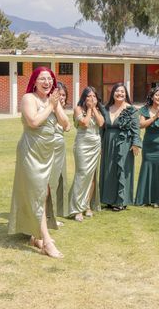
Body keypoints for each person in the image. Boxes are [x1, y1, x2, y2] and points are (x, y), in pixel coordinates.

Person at [8, 67, 70, 259]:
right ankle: (47, 241)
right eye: (42, 79)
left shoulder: (52, 99)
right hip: (31, 152)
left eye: (50, 79)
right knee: (36, 193)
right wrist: (51, 106)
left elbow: (66, 124)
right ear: (35, 81)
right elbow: (33, 122)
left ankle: (36, 236)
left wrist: (56, 105)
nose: (47, 82)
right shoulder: (29, 98)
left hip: (47, 152)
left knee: (41, 194)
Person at [99, 83, 142, 211]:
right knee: (109, 170)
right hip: (107, 143)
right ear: (112, 93)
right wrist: (100, 144)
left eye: (122, 92)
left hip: (124, 143)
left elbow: (136, 129)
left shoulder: (131, 110)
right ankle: (108, 199)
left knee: (122, 169)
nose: (120, 94)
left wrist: (136, 144)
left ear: (126, 94)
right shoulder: (106, 108)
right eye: (117, 91)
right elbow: (102, 128)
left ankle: (121, 201)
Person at [67, 86, 104, 221]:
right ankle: (77, 208)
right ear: (84, 97)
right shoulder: (78, 109)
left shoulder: (97, 109)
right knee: (82, 175)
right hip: (83, 145)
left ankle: (87, 205)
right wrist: (89, 109)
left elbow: (100, 123)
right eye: (88, 96)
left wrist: (94, 108)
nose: (91, 98)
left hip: (95, 145)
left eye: (94, 96)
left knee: (92, 176)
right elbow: (84, 123)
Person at [50, 81, 71, 223]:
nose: (62, 97)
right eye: (59, 94)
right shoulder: (49, 109)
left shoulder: (61, 111)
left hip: (60, 149)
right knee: (50, 181)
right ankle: (49, 215)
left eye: (63, 95)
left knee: (59, 180)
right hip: (50, 149)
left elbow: (67, 127)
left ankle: (55, 213)